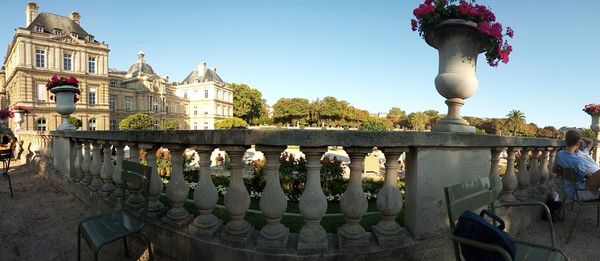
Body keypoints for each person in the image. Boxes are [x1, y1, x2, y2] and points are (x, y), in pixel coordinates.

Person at [552, 129, 600, 200]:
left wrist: (568, 175)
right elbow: (590, 177)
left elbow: (554, 170)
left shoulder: (560, 154)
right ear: (578, 144)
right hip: (579, 191)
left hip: (569, 190)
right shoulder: (578, 162)